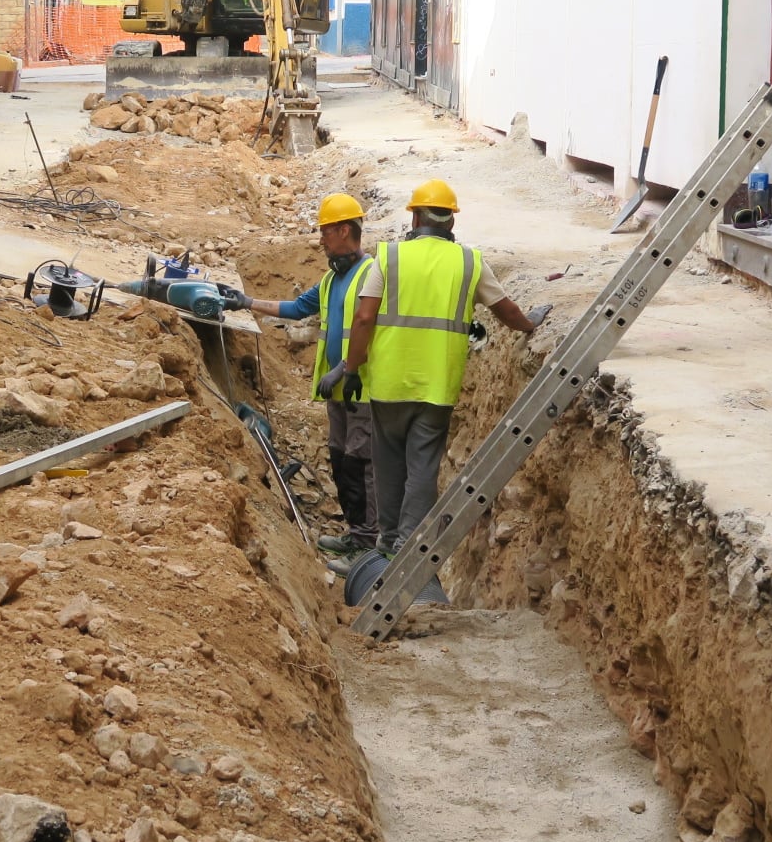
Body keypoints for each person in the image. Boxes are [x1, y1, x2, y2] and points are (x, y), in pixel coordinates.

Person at [320, 180, 545, 551]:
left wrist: (352, 369)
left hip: (389, 385)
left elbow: (363, 320)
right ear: (451, 223)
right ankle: (409, 546)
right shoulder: (469, 262)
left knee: (388, 466)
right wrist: (530, 324)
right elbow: (506, 309)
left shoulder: (389, 258)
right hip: (437, 387)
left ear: (414, 217)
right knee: (422, 468)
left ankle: (387, 542)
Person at [222, 194, 379, 562]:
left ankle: (368, 544)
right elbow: (295, 309)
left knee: (361, 464)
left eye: (325, 232)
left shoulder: (372, 275)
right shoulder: (331, 279)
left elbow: (373, 328)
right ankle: (356, 534)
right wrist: (246, 302)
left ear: (344, 230)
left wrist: (344, 369)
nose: (320, 240)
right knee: (341, 461)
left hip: (362, 388)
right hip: (339, 392)